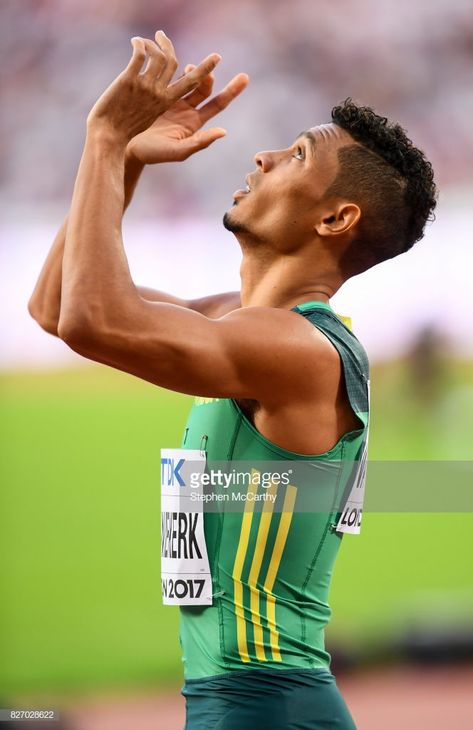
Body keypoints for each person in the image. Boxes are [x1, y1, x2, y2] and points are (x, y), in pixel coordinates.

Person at [29, 31, 437, 730]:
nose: (263, 154)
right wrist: (123, 158)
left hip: (264, 703)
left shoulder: (295, 350)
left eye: (296, 155)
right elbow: (57, 305)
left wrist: (104, 139)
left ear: (335, 218)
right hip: (248, 700)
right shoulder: (251, 324)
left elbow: (91, 322)